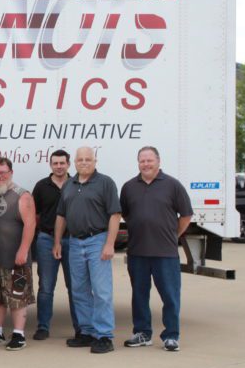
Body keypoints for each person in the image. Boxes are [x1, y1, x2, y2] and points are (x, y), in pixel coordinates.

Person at [120, 146, 193, 352]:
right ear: (138, 163)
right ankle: (142, 333)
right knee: (139, 295)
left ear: (158, 161)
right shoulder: (129, 187)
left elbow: (186, 215)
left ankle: (171, 335)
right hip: (137, 252)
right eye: (142, 160)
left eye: (149, 160)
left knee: (170, 296)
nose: (146, 164)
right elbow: (125, 214)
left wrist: (173, 235)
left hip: (166, 253)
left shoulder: (172, 185)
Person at [53, 146, 121, 354]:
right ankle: (86, 332)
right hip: (74, 242)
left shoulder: (105, 183)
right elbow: (61, 216)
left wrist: (110, 244)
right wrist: (57, 242)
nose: (84, 162)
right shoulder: (69, 185)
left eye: (88, 159)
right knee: (79, 291)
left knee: (101, 291)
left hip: (97, 241)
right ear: (74, 162)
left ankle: (104, 336)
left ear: (95, 161)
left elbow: (115, 215)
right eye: (80, 159)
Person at [0, 157, 37, 351]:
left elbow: (30, 225)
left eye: (3, 173)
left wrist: (23, 250)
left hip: (15, 257)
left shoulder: (22, 195)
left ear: (11, 173)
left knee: (17, 296)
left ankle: (18, 334)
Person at [31, 149, 76, 340]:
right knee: (46, 286)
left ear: (68, 164)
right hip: (46, 240)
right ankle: (43, 326)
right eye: (55, 163)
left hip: (73, 241)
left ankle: (80, 327)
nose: (59, 166)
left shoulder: (77, 184)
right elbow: (35, 215)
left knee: (75, 286)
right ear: (51, 165)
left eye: (62, 163)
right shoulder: (41, 186)